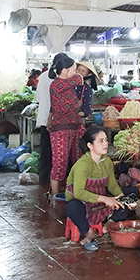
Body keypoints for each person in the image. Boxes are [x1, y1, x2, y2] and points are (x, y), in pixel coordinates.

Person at [65, 126, 138, 251]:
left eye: (105, 140)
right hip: (83, 202)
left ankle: (109, 225)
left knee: (133, 192)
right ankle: (88, 232)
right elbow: (78, 192)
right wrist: (104, 199)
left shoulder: (106, 161)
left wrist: (122, 199)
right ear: (90, 145)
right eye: (101, 141)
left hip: (101, 201)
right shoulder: (83, 164)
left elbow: (112, 185)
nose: (106, 143)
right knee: (72, 207)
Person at [48, 54, 86, 197]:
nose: (75, 72)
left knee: (78, 159)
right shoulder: (56, 85)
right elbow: (79, 79)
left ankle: (78, 190)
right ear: (64, 70)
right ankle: (55, 195)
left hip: (74, 127)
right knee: (60, 164)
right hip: (60, 130)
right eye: (73, 69)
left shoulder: (68, 82)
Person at [35, 53, 64, 186]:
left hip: (42, 118)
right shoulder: (60, 78)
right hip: (54, 120)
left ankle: (43, 179)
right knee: (57, 153)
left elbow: (38, 97)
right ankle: (56, 182)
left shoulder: (44, 76)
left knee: (45, 150)